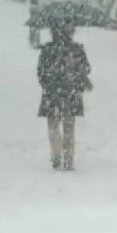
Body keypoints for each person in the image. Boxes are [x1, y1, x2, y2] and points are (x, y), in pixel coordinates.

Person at [37, 20, 92, 171]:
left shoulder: (47, 49)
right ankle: (68, 159)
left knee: (53, 126)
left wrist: (48, 85)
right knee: (69, 127)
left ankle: (56, 154)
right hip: (70, 93)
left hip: (52, 93)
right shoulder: (76, 49)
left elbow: (41, 72)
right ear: (71, 32)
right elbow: (86, 68)